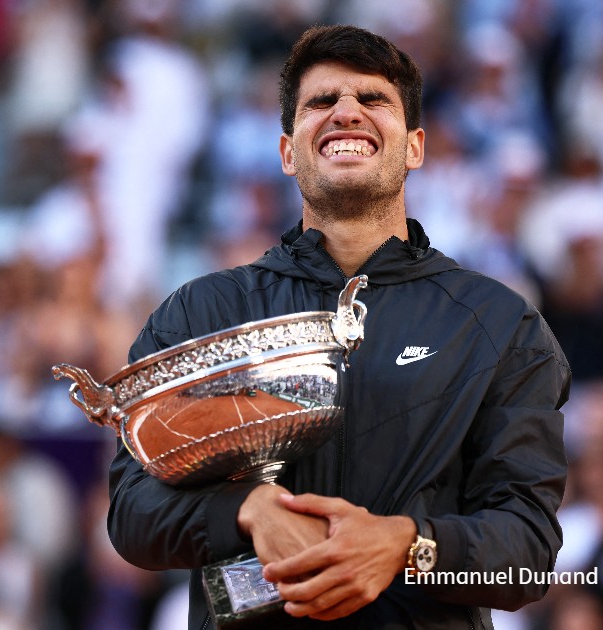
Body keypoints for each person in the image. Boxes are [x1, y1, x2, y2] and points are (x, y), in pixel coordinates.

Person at [106, 25, 570, 628]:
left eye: (374, 100)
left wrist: (409, 547)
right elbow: (132, 513)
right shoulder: (201, 313)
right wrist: (247, 509)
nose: (346, 112)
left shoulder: (497, 323)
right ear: (286, 152)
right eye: (321, 102)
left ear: (415, 147)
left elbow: (528, 552)